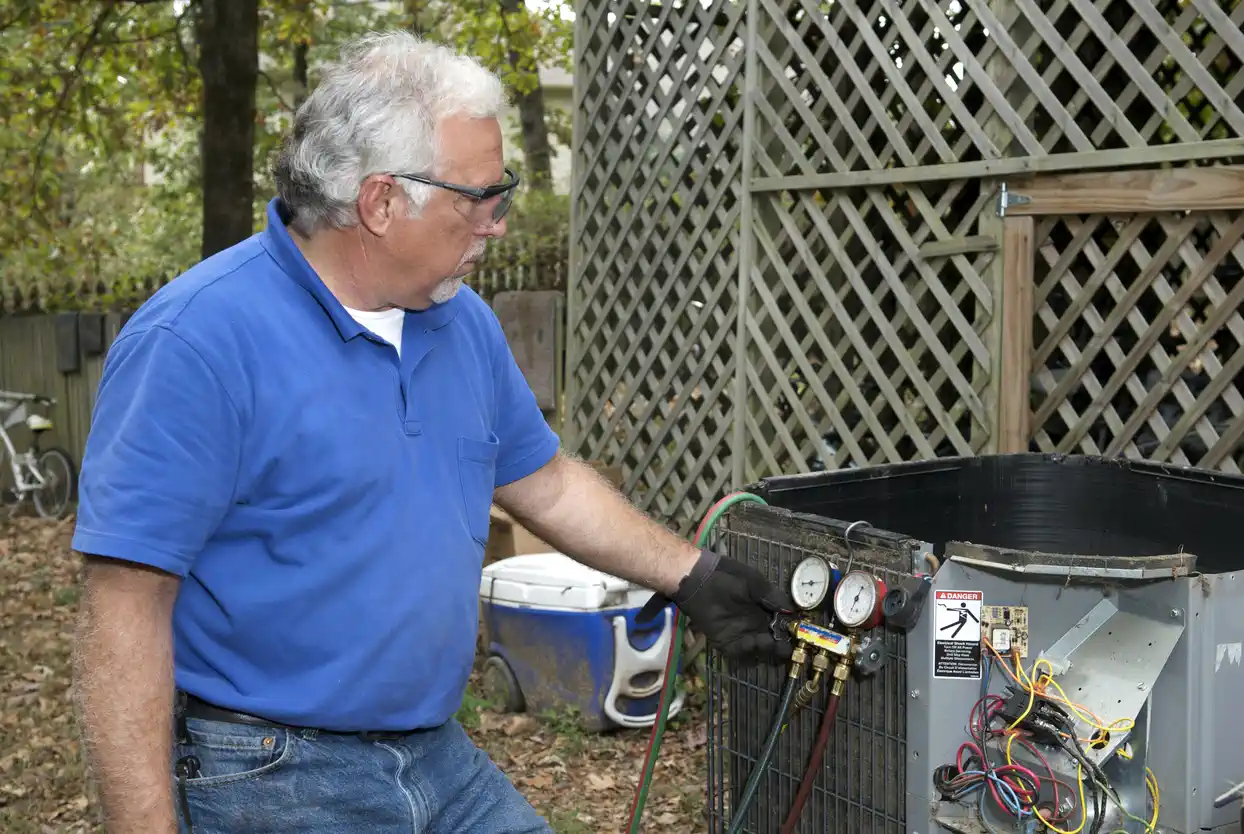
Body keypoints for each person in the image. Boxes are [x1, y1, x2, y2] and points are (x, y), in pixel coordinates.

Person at [70, 31, 793, 834]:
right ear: (381, 202)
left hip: (436, 755)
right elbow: (126, 606)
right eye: (480, 198)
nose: (499, 225)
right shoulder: (197, 342)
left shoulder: (460, 323)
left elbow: (544, 482)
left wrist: (691, 575)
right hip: (268, 773)